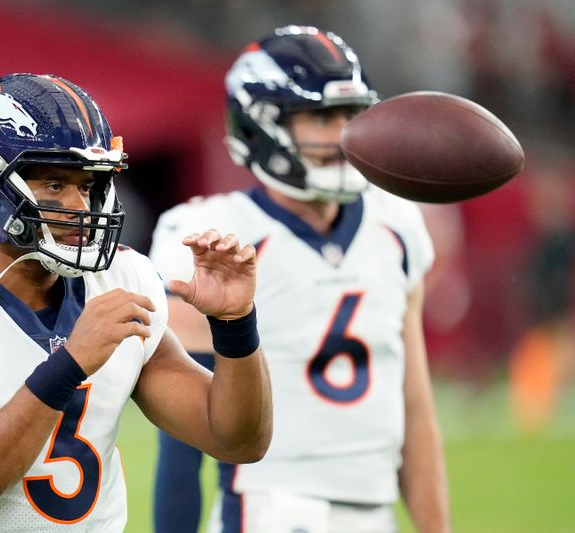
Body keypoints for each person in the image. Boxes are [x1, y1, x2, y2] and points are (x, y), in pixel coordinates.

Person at [0, 73, 272, 532]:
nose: (82, 207)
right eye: (54, 185)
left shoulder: (118, 281)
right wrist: (69, 363)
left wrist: (235, 326)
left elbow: (235, 439)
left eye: (88, 186)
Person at [151, 26, 451, 533]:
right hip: (270, 508)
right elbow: (183, 438)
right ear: (260, 124)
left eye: (349, 115)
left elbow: (415, 409)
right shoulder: (214, 235)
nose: (341, 134)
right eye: (319, 116)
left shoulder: (396, 225)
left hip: (375, 510)